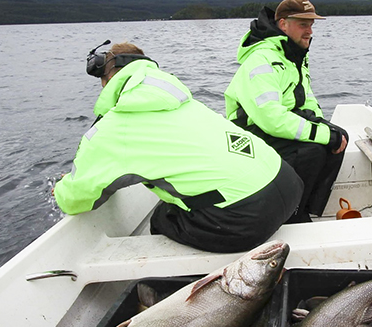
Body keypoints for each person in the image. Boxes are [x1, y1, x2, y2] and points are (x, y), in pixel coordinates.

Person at [54, 41, 303, 253]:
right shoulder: (184, 102)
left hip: (247, 218)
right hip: (289, 182)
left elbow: (74, 199)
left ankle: (174, 294)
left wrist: (62, 187)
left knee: (162, 219)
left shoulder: (112, 128)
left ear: (108, 79)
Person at [224, 0, 348, 223]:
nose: (309, 31)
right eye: (303, 24)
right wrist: (323, 135)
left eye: (311, 24)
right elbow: (271, 118)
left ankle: (304, 208)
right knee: (312, 150)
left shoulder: (294, 55)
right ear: (283, 24)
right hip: (248, 134)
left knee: (339, 138)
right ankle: (289, 213)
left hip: (273, 127)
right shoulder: (261, 60)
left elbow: (306, 99)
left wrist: (325, 127)